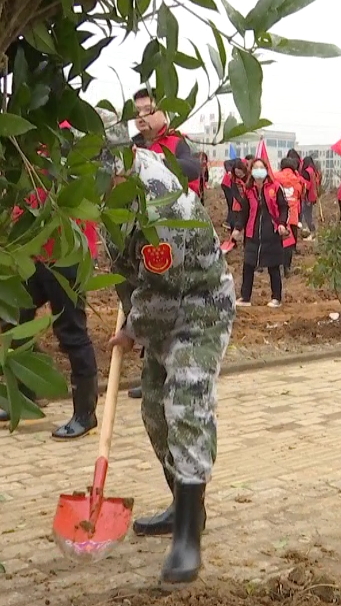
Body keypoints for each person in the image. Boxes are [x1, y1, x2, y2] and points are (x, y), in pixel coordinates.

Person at [105, 147, 235, 583]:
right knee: (154, 411)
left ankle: (187, 539)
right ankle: (184, 504)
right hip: (157, 306)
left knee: (185, 408)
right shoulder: (105, 191)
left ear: (120, 167)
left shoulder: (160, 201)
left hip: (200, 307)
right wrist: (130, 309)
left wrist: (132, 329)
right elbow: (130, 266)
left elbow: (164, 289)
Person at [0, 120, 101, 440]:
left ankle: (85, 412)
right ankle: (24, 394)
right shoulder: (27, 142)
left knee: (71, 333)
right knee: (13, 317)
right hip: (33, 256)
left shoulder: (68, 143)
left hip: (68, 257)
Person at [127, 88, 206, 400]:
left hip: (175, 237)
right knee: (144, 300)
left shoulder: (175, 142)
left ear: (163, 113)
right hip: (142, 236)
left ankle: (176, 374)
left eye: (148, 110)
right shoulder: (132, 148)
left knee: (171, 303)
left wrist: (158, 160)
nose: (142, 117)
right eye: (137, 112)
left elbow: (192, 168)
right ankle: (151, 376)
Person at [231, 157, 290, 307]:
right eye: (255, 167)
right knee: (248, 265)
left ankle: (276, 297)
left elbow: (284, 207)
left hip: (271, 232)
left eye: (261, 167)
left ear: (266, 169)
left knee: (273, 266)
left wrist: (282, 224)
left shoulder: (275, 187)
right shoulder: (248, 190)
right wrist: (238, 228)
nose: (259, 170)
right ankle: (245, 297)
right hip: (252, 232)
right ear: (251, 171)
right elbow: (244, 212)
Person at [273, 157, 304, 277]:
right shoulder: (298, 180)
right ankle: (287, 268)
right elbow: (300, 194)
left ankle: (275, 265)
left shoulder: (275, 177)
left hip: (278, 214)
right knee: (289, 243)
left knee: (276, 241)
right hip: (293, 214)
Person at [300, 156, 321, 238]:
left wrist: (306, 198)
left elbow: (306, 186)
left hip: (308, 197)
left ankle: (312, 231)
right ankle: (312, 231)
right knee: (309, 214)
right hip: (313, 196)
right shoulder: (314, 171)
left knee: (307, 215)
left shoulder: (306, 172)